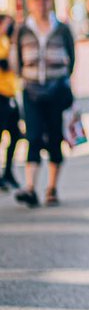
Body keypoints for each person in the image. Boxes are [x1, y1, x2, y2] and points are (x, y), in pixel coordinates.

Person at [15, 0, 75, 207]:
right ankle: (30, 187)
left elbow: (72, 56)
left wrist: (63, 79)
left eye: (44, 0)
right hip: (31, 89)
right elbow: (16, 59)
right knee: (33, 136)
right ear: (30, 4)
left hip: (55, 87)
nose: (41, 5)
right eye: (36, 1)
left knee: (55, 137)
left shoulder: (61, 27)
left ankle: (51, 187)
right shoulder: (24, 29)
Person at [0, 13, 21, 190]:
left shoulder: (8, 42)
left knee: (16, 134)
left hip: (10, 95)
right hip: (1, 96)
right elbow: (7, 64)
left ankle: (8, 172)